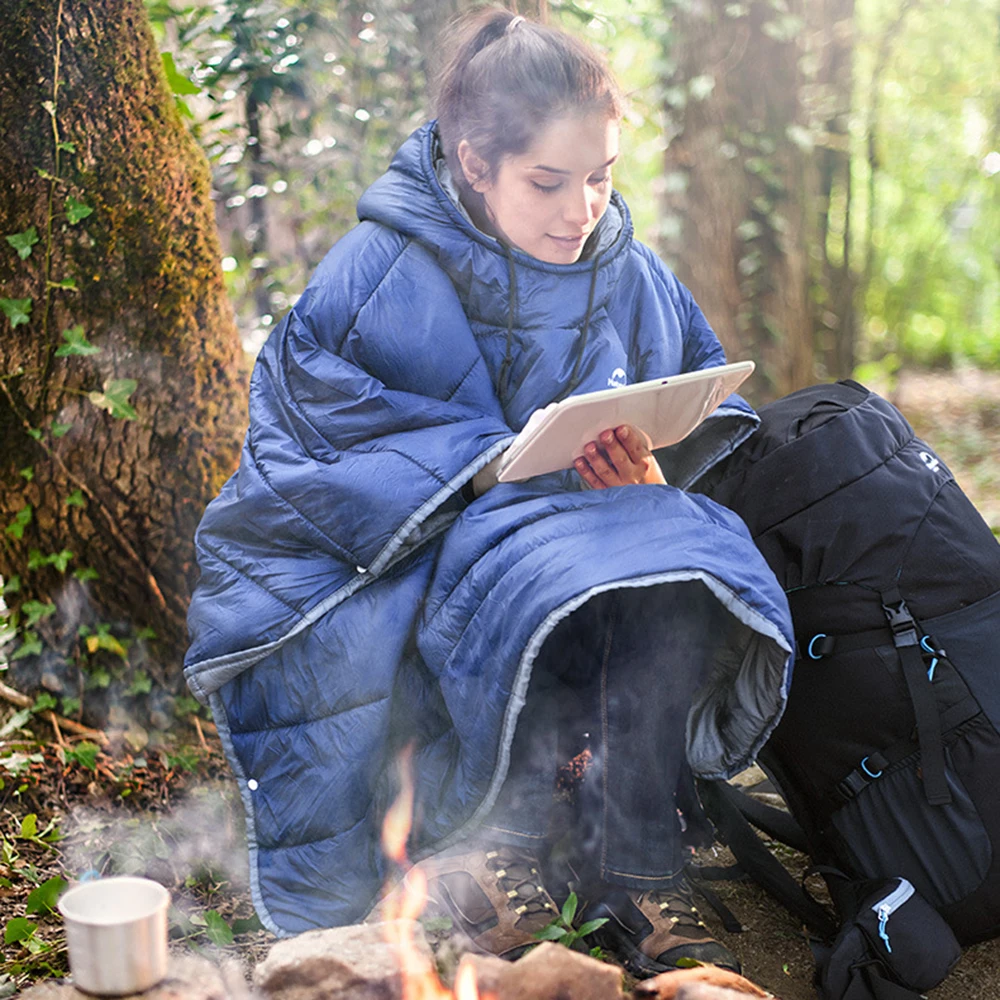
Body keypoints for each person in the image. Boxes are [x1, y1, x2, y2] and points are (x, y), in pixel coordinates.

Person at [183, 7, 794, 980]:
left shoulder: (624, 271)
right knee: (535, 576)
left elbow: (689, 414)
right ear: (474, 164)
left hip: (569, 563)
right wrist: (471, 468)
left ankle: (635, 863)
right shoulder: (377, 269)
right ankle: (495, 844)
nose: (580, 210)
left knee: (681, 551)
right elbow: (306, 444)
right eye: (547, 183)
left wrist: (644, 477)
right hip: (423, 573)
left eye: (599, 178)